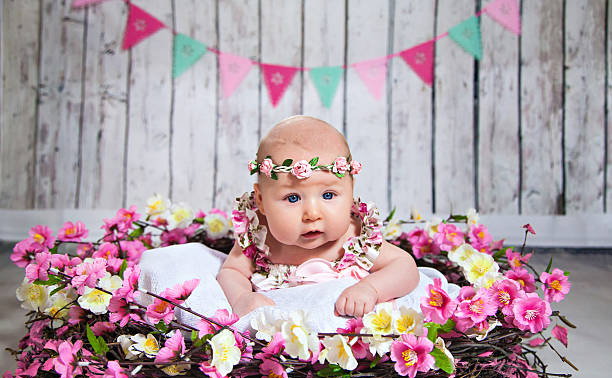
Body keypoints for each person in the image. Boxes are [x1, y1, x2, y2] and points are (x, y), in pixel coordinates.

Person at [138, 116, 458, 332]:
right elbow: (232, 271)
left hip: (345, 330)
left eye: (330, 195)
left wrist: (370, 288)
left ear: (351, 192)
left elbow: (406, 268)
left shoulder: (355, 238)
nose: (312, 213)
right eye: (293, 199)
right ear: (261, 201)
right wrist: (242, 299)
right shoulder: (260, 238)